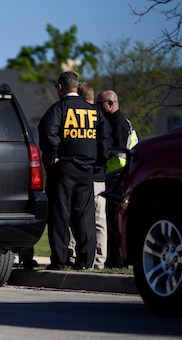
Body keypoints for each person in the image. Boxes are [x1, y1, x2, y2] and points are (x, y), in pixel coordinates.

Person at [38, 72, 110, 270]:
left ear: (61, 87)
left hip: (64, 170)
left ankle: (60, 262)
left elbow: (46, 132)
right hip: (87, 171)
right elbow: (104, 139)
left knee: (60, 216)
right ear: (76, 87)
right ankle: (85, 262)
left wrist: (52, 158)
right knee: (85, 217)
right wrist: (98, 164)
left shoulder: (59, 109)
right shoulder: (94, 111)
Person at [96, 90, 137, 268]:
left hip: (117, 176)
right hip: (120, 175)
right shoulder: (119, 120)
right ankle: (115, 260)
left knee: (114, 220)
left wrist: (100, 159)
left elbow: (118, 150)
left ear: (110, 104)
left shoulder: (117, 122)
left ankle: (117, 262)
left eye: (100, 104)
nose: (98, 108)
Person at [78, 83, 109, 269]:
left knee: (83, 217)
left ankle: (82, 258)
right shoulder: (101, 117)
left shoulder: (85, 116)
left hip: (86, 174)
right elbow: (104, 148)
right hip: (99, 175)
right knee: (100, 220)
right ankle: (100, 260)